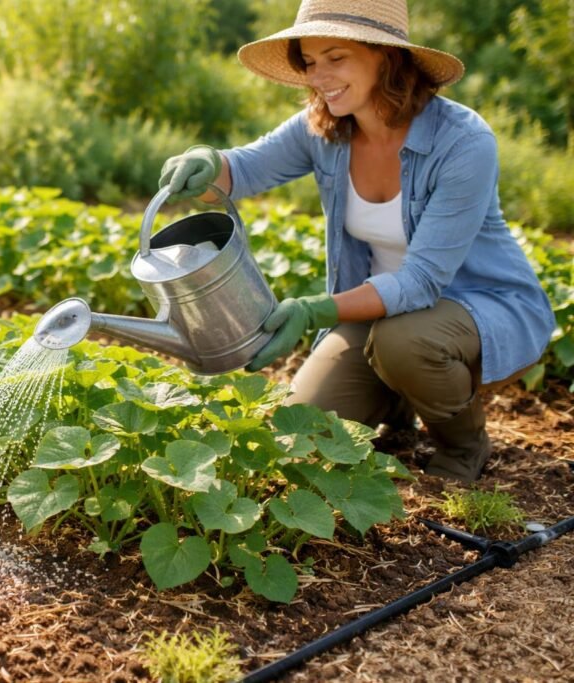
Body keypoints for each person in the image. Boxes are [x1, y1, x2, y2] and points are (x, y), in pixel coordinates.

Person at [158, 0, 555, 483]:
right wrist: (206, 162)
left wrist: (315, 311)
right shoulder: (323, 128)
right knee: (300, 434)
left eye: (336, 57)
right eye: (310, 61)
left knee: (403, 341)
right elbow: (241, 170)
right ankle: (396, 398)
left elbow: (422, 282)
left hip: (477, 308)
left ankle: (463, 445)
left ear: (386, 57)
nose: (318, 76)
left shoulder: (463, 141)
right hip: (380, 316)